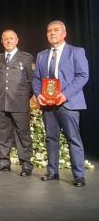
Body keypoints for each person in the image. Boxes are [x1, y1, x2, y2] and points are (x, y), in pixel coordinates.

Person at [32, 21, 89, 187]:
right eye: (49, 31)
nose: (52, 33)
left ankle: (79, 175)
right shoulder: (42, 55)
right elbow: (36, 79)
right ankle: (52, 171)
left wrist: (65, 95)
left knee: (73, 139)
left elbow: (83, 76)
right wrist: (38, 95)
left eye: (56, 30)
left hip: (68, 102)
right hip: (47, 104)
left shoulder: (76, 52)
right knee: (51, 138)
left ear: (64, 33)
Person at [0, 30, 34, 176]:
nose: (8, 41)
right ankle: (4, 162)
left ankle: (26, 164)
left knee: (23, 135)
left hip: (19, 103)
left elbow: (31, 80)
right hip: (2, 102)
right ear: (2, 41)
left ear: (17, 40)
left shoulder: (26, 58)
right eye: (5, 39)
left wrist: (24, 97)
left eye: (11, 38)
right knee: (3, 134)